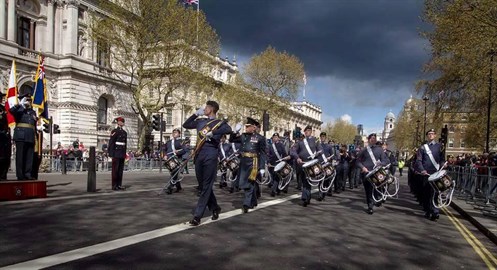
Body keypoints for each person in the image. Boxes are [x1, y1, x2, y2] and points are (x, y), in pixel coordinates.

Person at [183, 100, 232, 226]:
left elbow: (229, 130)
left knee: (206, 186)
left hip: (211, 154)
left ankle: (197, 216)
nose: (204, 110)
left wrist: (214, 132)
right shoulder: (200, 121)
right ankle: (215, 207)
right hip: (199, 154)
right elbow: (186, 125)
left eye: (205, 108)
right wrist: (195, 114)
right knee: (202, 185)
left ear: (211, 109)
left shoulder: (219, 123)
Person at [230, 117, 267, 213]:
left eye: (248, 126)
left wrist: (262, 167)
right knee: (248, 183)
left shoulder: (260, 138)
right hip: (243, 162)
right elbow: (231, 140)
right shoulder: (243, 136)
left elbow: (263, 153)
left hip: (253, 162)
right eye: (246, 126)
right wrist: (234, 131)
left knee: (249, 182)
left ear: (254, 127)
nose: (246, 128)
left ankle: (246, 204)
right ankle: (253, 201)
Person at [415, 128, 445, 221]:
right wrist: (422, 170)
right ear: (427, 136)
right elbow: (419, 161)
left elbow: (442, 159)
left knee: (436, 193)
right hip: (426, 173)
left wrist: (443, 165)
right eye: (429, 134)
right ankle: (428, 211)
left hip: (436, 173)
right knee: (427, 193)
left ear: (435, 135)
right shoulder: (423, 147)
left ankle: (435, 211)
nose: (431, 135)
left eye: (432, 134)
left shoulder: (440, 146)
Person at [356, 133, 389, 214]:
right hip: (366, 173)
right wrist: (362, 167)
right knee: (368, 190)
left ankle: (376, 200)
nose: (373, 140)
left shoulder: (380, 149)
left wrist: (381, 163)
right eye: (371, 138)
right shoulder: (364, 150)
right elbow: (357, 161)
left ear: (376, 140)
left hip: (377, 173)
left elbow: (386, 160)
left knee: (377, 189)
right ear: (368, 139)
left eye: (374, 138)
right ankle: (370, 206)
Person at [291, 125, 323, 206]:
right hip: (302, 164)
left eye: (308, 131)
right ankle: (307, 197)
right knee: (305, 181)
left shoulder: (315, 141)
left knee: (307, 181)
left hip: (311, 164)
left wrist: (318, 153)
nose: (307, 132)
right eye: (305, 131)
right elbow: (293, 151)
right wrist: (297, 158)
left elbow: (321, 151)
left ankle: (305, 197)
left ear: (311, 132)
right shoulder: (300, 142)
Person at [9, 93, 37, 180]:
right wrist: (20, 104)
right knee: (20, 156)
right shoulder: (19, 110)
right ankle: (20, 175)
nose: (28, 102)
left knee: (29, 156)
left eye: (29, 100)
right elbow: (11, 111)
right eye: (27, 100)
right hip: (21, 136)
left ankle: (28, 173)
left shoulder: (32, 112)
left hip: (30, 136)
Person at [268, 132, 291, 197]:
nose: (275, 138)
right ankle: (278, 189)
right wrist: (268, 162)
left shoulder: (281, 145)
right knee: (273, 177)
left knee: (277, 177)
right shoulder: (270, 146)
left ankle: (273, 190)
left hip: (279, 163)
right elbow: (268, 155)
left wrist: (287, 157)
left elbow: (284, 153)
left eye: (276, 137)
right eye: (274, 137)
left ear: (278, 138)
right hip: (272, 164)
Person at [164, 128, 186, 194]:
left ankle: (170, 188)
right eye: (173, 132)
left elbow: (184, 150)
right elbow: (164, 149)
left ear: (179, 134)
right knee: (173, 173)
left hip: (176, 159)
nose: (174, 133)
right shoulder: (168, 142)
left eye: (176, 132)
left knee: (174, 173)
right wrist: (164, 155)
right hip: (169, 159)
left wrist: (178, 152)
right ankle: (179, 187)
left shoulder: (181, 142)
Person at [108, 117, 127, 190]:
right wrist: (111, 153)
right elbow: (111, 142)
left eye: (123, 121)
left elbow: (125, 144)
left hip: (121, 152)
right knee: (115, 170)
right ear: (118, 122)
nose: (123, 123)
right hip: (116, 152)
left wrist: (125, 154)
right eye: (121, 121)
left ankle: (119, 184)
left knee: (120, 170)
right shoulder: (114, 131)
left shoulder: (124, 132)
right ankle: (114, 185)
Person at [0, 92, 11, 180]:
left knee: (5, 157)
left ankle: (3, 175)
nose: (1, 99)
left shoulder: (3, 108)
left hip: (3, 136)